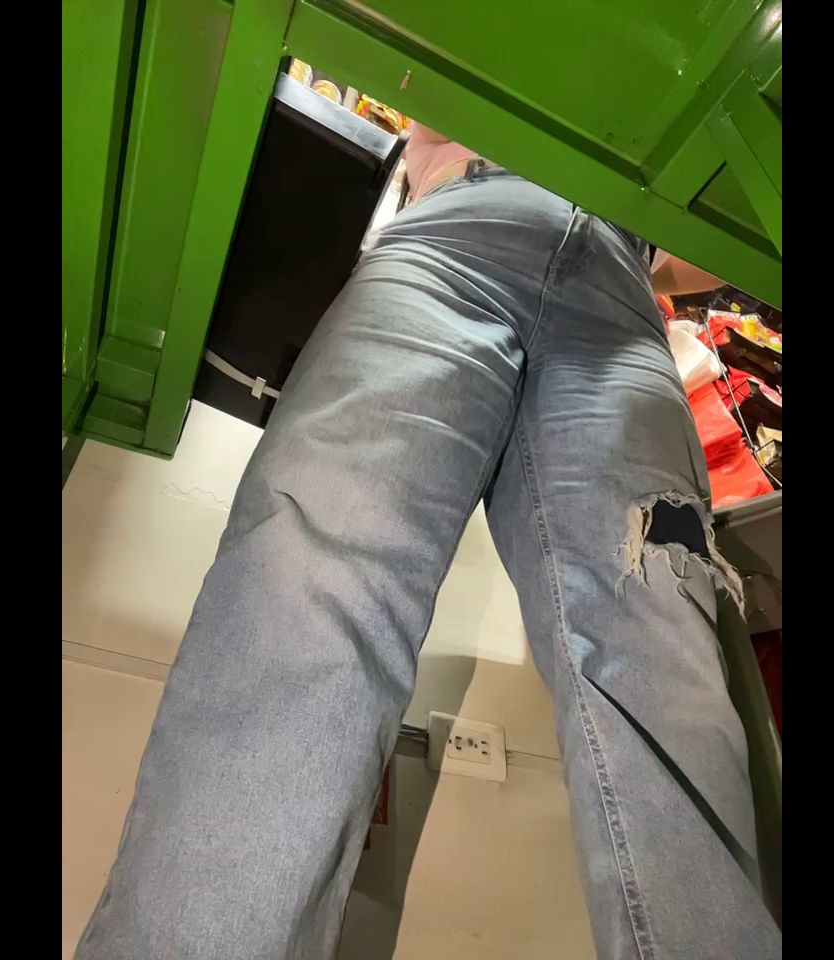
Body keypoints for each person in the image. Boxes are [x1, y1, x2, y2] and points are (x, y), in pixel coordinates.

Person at [76, 121, 782, 959]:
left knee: (669, 661)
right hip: (458, 231)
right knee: (313, 570)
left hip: (622, 288)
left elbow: (712, 246)